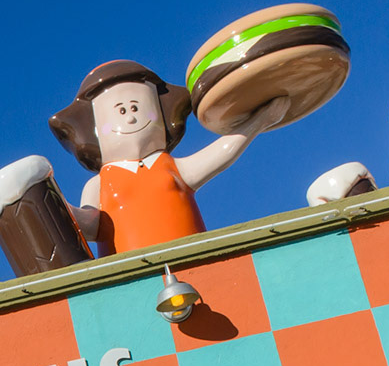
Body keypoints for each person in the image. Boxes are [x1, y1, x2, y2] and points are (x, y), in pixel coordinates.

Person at [49, 60, 285, 255]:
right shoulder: (99, 184)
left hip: (194, 258)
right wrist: (49, 200)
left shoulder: (171, 167)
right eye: (121, 111)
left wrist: (260, 119)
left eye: (136, 107)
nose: (131, 119)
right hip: (130, 275)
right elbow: (90, 225)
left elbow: (222, 154)